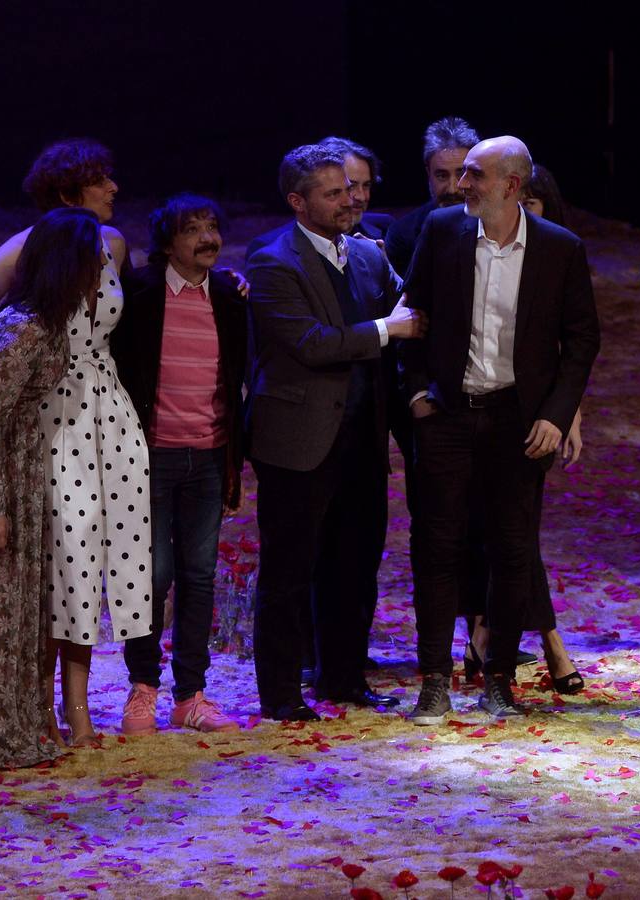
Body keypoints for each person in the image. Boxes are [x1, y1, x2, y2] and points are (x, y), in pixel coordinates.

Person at [0, 139, 153, 747]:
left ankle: (80, 705)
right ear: (67, 193)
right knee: (66, 558)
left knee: (111, 556)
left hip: (109, 412)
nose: (114, 188)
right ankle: (58, 708)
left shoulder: (110, 245)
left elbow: (131, 317)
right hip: (50, 415)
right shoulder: (28, 249)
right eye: (100, 180)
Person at [401, 136, 600, 723]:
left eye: (473, 175)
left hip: (520, 424)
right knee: (437, 549)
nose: (461, 185)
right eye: (461, 174)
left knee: (513, 552)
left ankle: (499, 682)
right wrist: (415, 394)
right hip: (448, 416)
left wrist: (556, 414)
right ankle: (435, 681)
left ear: (512, 186)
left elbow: (583, 339)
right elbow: (411, 313)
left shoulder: (560, 250)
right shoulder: (442, 233)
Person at [246, 143, 423, 722]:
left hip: (361, 440)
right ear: (299, 202)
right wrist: (388, 330)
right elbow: (313, 343)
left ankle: (343, 679)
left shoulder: (368, 255)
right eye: (334, 193)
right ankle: (279, 694)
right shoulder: (273, 261)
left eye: (350, 189)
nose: (350, 200)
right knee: (290, 570)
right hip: (299, 440)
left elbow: (408, 304)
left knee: (355, 564)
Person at [0, 207, 101, 770]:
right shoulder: (25, 328)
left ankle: (17, 717)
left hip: (18, 460)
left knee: (14, 598)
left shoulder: (44, 319)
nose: (102, 262)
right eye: (92, 254)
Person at [112, 195, 246, 733]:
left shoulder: (232, 299)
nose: (207, 238)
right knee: (150, 576)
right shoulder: (139, 295)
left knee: (199, 576)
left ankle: (190, 694)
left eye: (213, 227)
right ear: (168, 242)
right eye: (193, 230)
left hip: (210, 457)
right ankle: (143, 687)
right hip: (151, 456)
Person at [460, 163, 585, 695]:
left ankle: (501, 642)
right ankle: (514, 636)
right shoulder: (453, 234)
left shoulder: (557, 250)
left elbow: (570, 340)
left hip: (532, 409)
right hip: (466, 408)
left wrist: (563, 412)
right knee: (478, 532)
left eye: (534, 206)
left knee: (516, 535)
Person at [247, 136, 391, 257]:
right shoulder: (268, 249)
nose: (361, 196)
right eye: (350, 186)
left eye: (366, 185)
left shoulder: (385, 229)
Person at [384, 116, 479, 276]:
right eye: (442, 175)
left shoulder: (498, 226)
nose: (452, 189)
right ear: (428, 173)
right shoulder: (403, 233)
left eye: (462, 174)